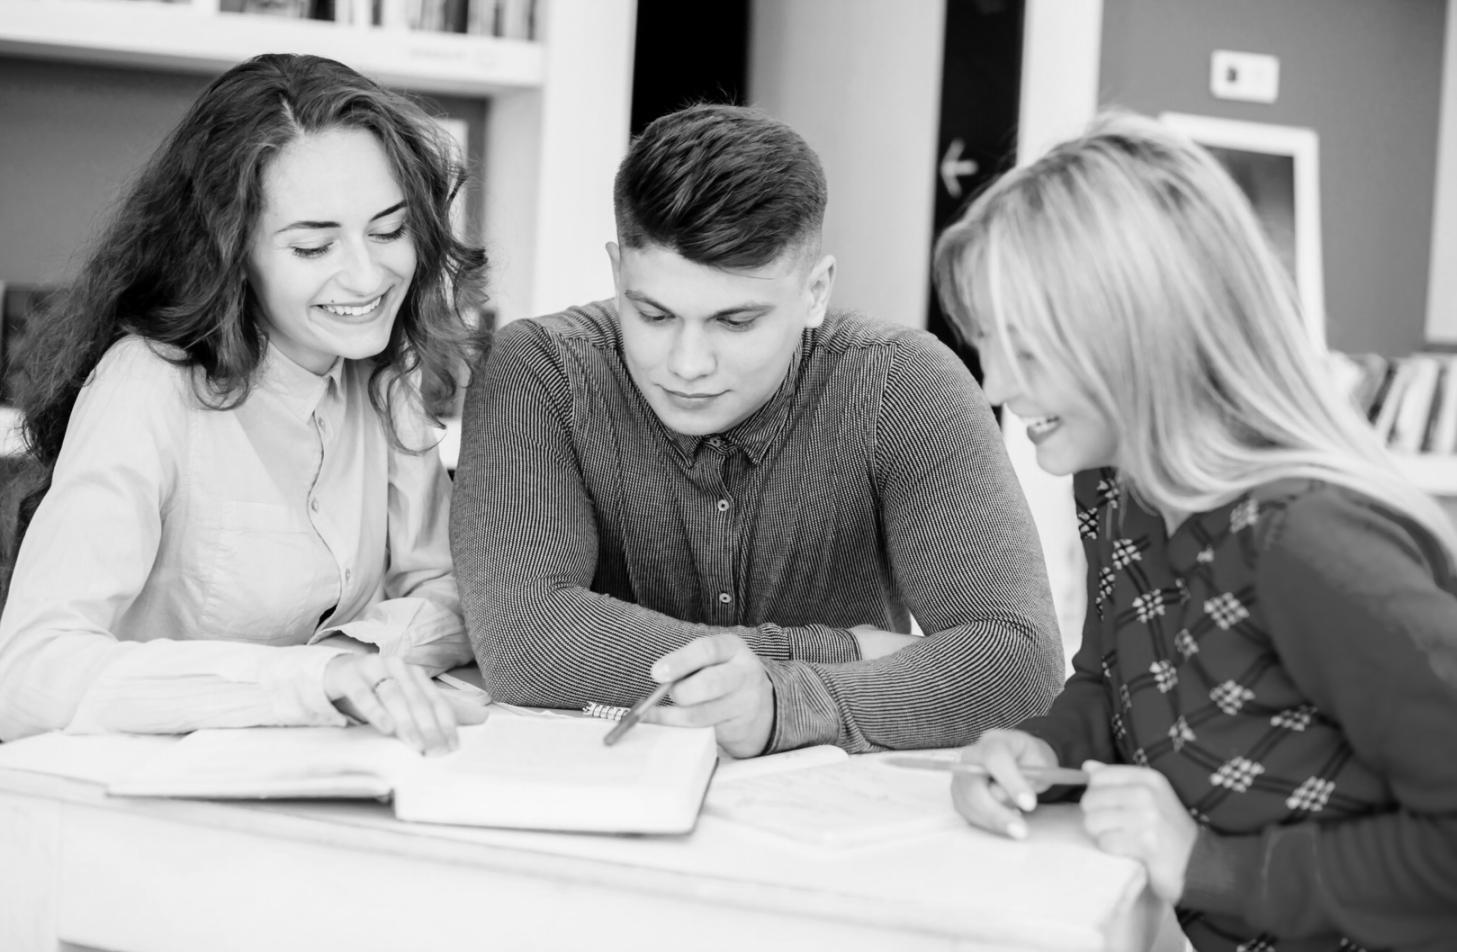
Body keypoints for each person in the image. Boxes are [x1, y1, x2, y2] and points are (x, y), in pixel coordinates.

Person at [934, 110, 1457, 951]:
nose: (996, 384)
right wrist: (1038, 755)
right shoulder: (1114, 489)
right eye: (988, 346)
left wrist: (1211, 867)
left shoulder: (1309, 546)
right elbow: (1113, 685)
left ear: (1140, 337)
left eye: (1026, 351)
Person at [449, 102, 1064, 758]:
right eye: (652, 314)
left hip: (835, 823)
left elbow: (1017, 665)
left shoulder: (903, 383)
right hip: (596, 797)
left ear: (815, 292)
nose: (687, 365)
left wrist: (783, 702)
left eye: (734, 322)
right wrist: (838, 652)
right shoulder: (536, 370)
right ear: (615, 271)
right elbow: (525, 642)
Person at [0, 53, 490, 751]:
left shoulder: (385, 375)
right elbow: (26, 674)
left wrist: (357, 666)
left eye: (389, 230)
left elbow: (451, 595)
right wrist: (310, 681)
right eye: (313, 246)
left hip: (319, 780)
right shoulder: (146, 385)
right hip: (145, 799)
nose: (367, 275)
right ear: (232, 255)